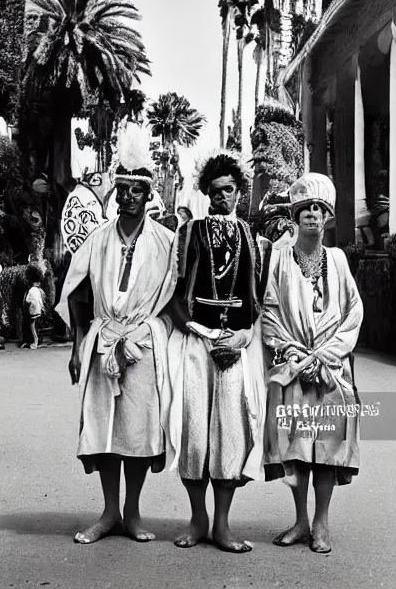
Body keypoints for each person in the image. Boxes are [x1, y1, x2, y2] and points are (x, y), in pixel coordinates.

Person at [55, 121, 177, 545]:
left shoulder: (166, 241)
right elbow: (76, 290)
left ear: (148, 195)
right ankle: (108, 512)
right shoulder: (99, 238)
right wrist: (77, 345)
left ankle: (133, 512)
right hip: (102, 339)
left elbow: (175, 300)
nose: (127, 197)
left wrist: (154, 338)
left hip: (143, 343)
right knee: (104, 430)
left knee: (138, 430)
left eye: (136, 191)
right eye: (121, 189)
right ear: (115, 192)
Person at [166, 152, 267, 553]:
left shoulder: (254, 240)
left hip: (236, 345)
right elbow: (174, 296)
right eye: (214, 191)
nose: (221, 197)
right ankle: (197, 519)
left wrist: (242, 337)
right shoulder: (189, 233)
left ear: (239, 192)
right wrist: (195, 329)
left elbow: (259, 303)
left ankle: (222, 526)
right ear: (206, 194)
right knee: (193, 433)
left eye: (228, 190)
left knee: (229, 433)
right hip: (196, 342)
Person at [262, 173, 363, 554]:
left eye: (319, 210)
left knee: (328, 448)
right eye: (305, 209)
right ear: (296, 216)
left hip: (331, 371)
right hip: (295, 368)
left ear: (327, 218)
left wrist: (326, 355)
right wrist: (292, 352)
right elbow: (270, 313)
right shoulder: (281, 260)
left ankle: (321, 523)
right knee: (298, 449)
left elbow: (353, 312)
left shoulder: (337, 261)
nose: (312, 216)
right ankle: (300, 520)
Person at [21, 262, 46, 349]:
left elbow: (27, 300)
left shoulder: (30, 290)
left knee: (32, 327)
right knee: (36, 326)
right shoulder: (40, 291)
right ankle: (36, 341)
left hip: (32, 311)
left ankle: (34, 342)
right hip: (39, 310)